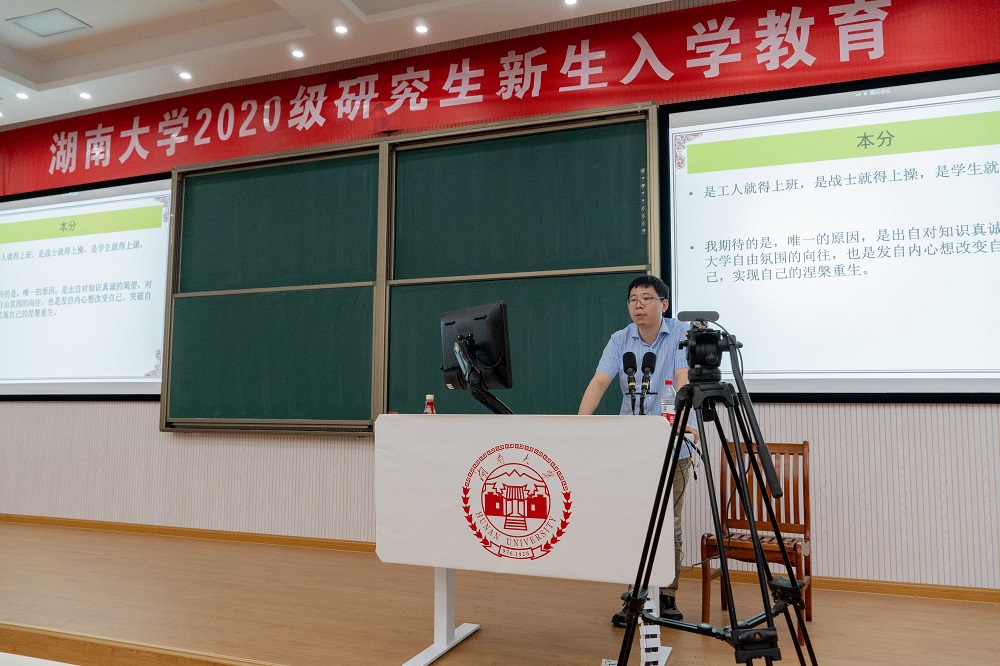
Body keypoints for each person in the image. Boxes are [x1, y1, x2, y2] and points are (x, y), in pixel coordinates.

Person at [578, 274, 698, 627]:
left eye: (646, 298)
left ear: (664, 304)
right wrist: (579, 425)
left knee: (669, 524)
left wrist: (681, 420)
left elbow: (683, 379)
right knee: (632, 522)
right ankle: (636, 595)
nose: (639, 305)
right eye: (633, 299)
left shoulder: (680, 333)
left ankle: (667, 596)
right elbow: (599, 382)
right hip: (631, 449)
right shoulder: (621, 339)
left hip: (673, 444)